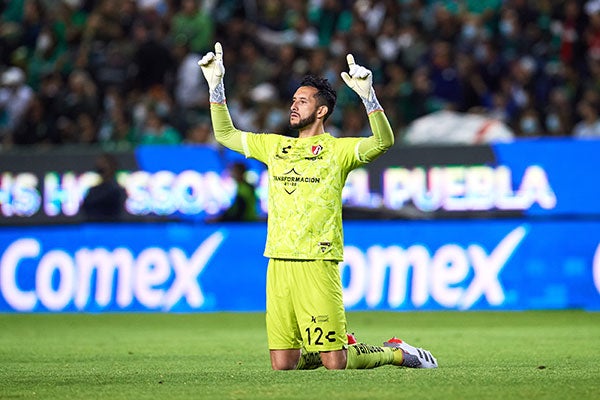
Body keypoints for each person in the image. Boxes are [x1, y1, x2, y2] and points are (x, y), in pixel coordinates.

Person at [198, 42, 438, 370]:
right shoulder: (275, 146)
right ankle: (329, 344)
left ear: (321, 110)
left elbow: (383, 141)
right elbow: (225, 134)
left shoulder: (336, 151)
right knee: (283, 364)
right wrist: (216, 85)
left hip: (317, 258)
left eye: (303, 101)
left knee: (335, 363)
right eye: (293, 100)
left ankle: (395, 352)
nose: (293, 106)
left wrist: (369, 98)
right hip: (279, 258)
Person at [81, 153, 127, 221]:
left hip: (111, 227)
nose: (101, 167)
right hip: (94, 227)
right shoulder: (93, 190)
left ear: (112, 167)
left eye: (104, 165)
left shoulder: (117, 191)